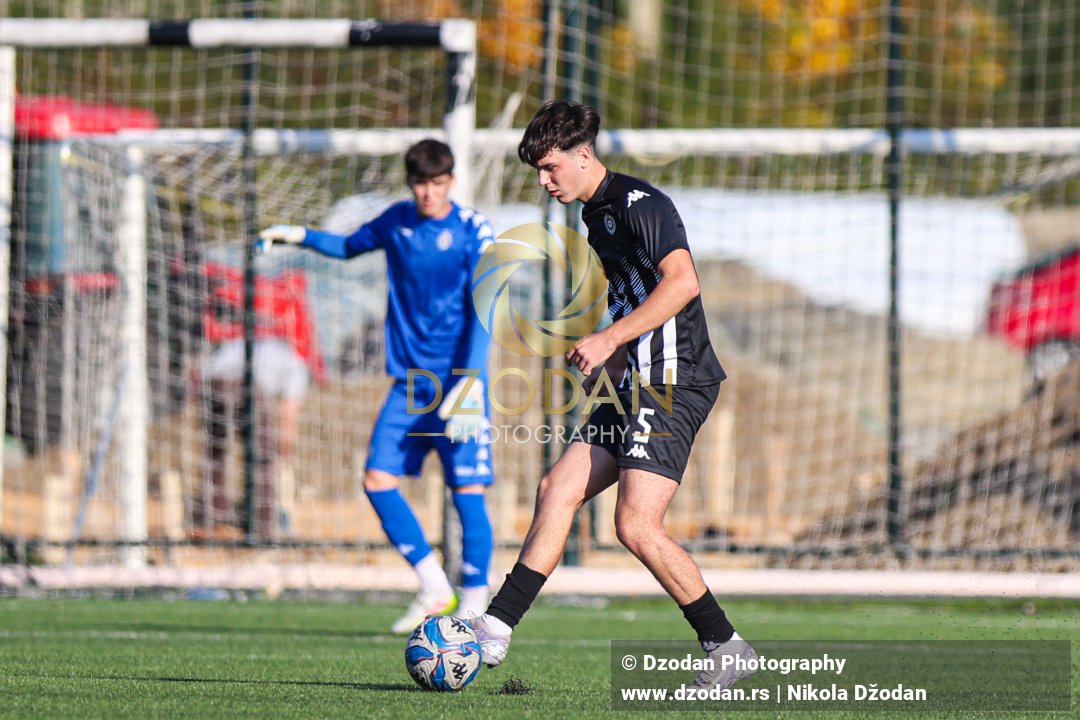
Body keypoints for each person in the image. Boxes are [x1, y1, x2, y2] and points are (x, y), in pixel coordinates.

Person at [467, 100, 758, 692]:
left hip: (673, 380)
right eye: (538, 171)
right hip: (634, 379)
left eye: (550, 168)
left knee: (635, 524)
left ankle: (726, 646)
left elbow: (682, 283)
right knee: (557, 489)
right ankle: (495, 627)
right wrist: (615, 355)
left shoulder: (640, 204)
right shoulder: (593, 215)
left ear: (583, 155)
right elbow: (636, 294)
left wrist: (608, 338)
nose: (544, 182)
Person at [258, 139, 496, 633]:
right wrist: (299, 235)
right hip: (409, 384)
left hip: (458, 382)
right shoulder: (396, 221)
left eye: (437, 183)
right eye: (420, 184)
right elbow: (348, 247)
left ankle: (476, 604)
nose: (428, 193)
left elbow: (484, 306)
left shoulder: (474, 230)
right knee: (377, 478)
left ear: (451, 181)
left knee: (467, 490)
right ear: (410, 184)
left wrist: (472, 381)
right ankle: (435, 586)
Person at [194, 336, 309, 542]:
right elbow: (287, 417)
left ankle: (211, 520)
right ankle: (263, 524)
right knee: (262, 457)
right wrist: (283, 455)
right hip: (249, 386)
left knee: (215, 455)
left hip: (212, 384)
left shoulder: (243, 344)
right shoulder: (297, 365)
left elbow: (203, 374)